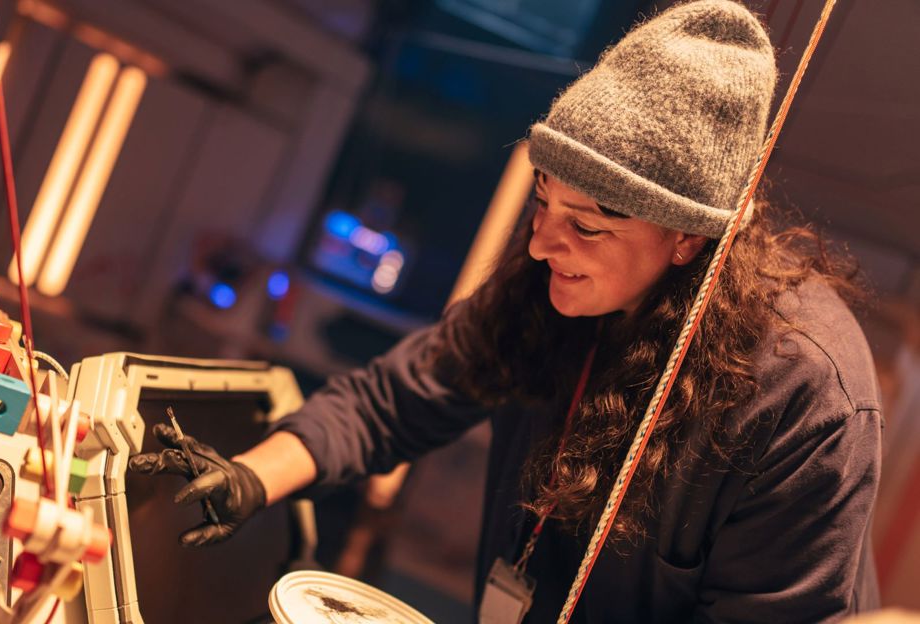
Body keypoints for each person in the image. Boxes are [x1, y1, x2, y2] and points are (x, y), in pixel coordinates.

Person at [129, 1, 882, 621]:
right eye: (542, 200)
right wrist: (249, 478)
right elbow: (391, 401)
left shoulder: (806, 398)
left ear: (688, 238)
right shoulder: (549, 286)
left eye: (586, 226)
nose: (543, 242)